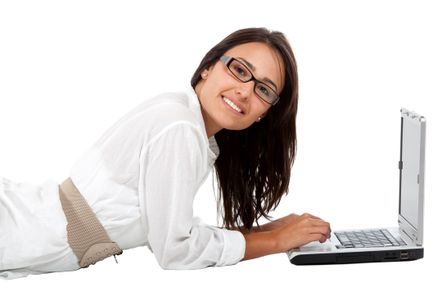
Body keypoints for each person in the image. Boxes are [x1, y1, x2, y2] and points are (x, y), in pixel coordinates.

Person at [0, 27, 331, 279]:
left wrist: (268, 231)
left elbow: (174, 229)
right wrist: (276, 242)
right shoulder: (180, 128)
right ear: (208, 68)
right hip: (18, 230)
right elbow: (176, 250)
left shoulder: (186, 124)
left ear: (264, 113)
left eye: (263, 89)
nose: (245, 91)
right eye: (240, 70)